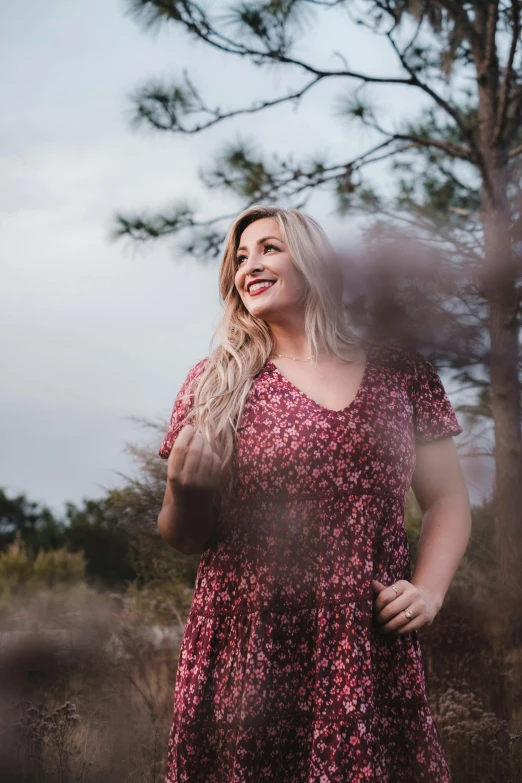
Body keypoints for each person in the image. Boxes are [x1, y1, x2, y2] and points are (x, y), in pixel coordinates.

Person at [157, 205, 471, 782]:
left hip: (365, 644)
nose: (250, 264)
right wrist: (186, 492)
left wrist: (427, 593)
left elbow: (449, 501)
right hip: (250, 646)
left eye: (269, 248)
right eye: (240, 257)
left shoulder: (401, 370)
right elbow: (183, 537)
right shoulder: (216, 383)